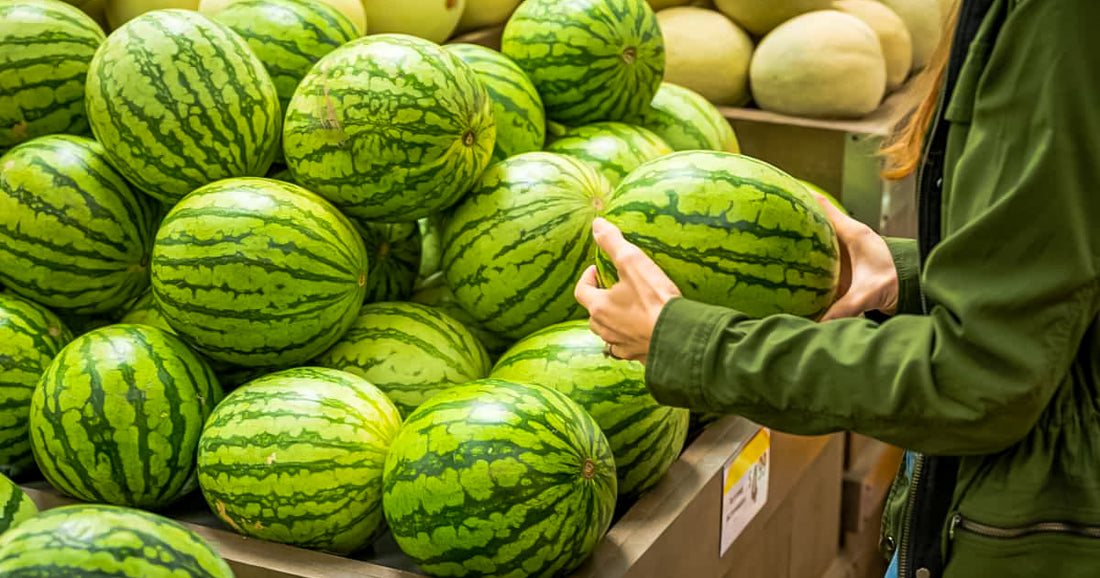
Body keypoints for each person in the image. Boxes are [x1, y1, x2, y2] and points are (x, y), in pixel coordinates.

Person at [574, 0, 1100, 576]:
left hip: (1037, 531)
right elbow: (1063, 270)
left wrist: (691, 343)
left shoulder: (1057, 18)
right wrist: (907, 276)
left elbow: (979, 378)